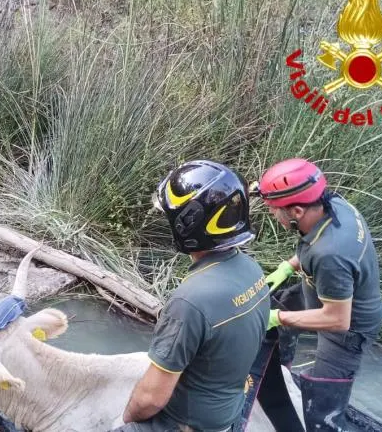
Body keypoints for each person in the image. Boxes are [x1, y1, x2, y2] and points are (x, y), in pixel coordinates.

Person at [115, 160, 270, 432]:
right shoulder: (252, 270)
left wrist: (125, 419)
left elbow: (150, 400)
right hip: (227, 417)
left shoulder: (190, 301)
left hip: (185, 424)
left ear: (188, 224)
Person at [256, 158, 382, 431]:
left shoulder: (330, 255)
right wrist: (288, 266)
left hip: (348, 329)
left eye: (275, 211)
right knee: (276, 304)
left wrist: (278, 318)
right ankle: (282, 369)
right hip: (321, 291)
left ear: (298, 210)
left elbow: (338, 320)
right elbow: (314, 244)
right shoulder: (333, 204)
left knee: (321, 416)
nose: (274, 216)